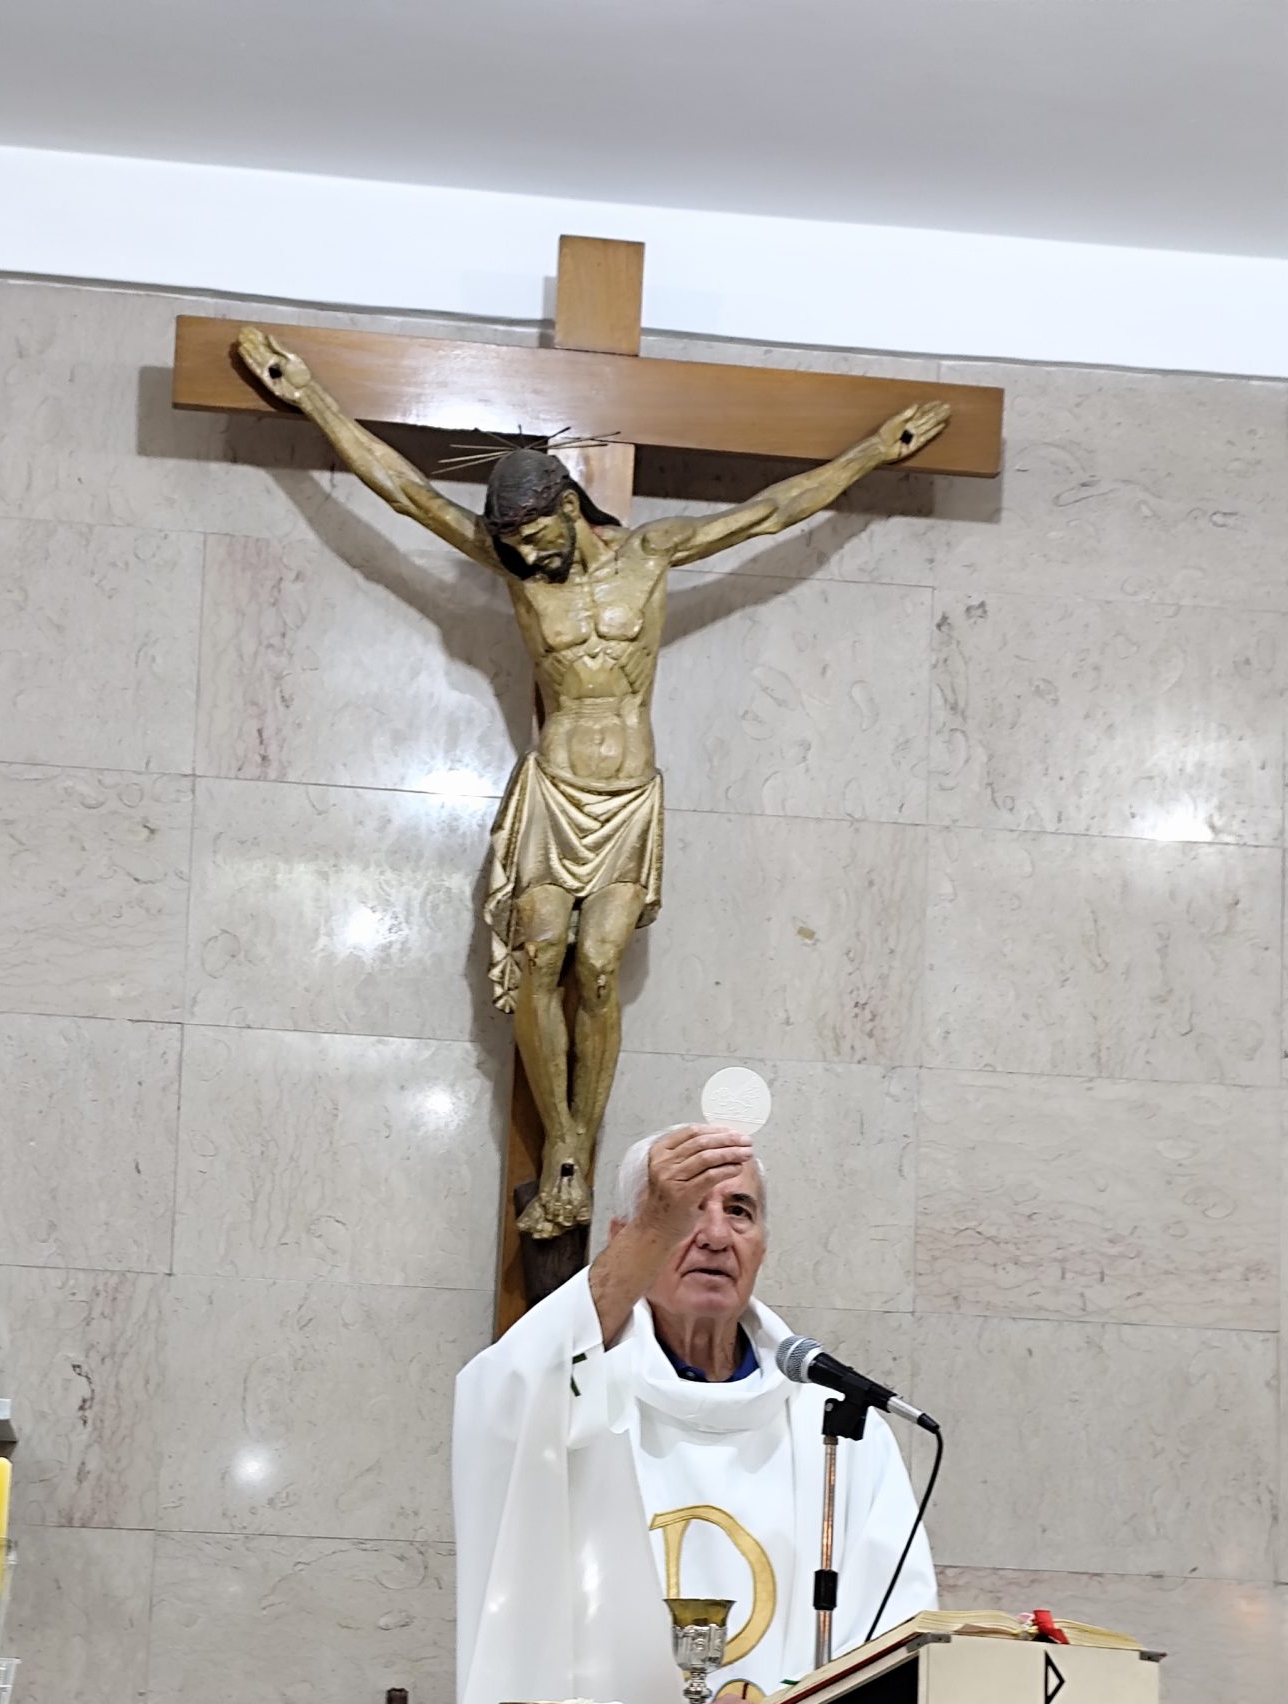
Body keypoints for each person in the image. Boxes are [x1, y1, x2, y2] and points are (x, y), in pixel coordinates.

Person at [233, 320, 948, 1238]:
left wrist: (872, 453)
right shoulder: (517, 572)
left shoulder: (651, 555)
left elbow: (771, 512)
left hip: (627, 798)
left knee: (598, 969)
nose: (528, 557)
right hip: (555, 789)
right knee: (540, 953)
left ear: (568, 507)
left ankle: (580, 1143)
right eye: (515, 545)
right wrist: (308, 396)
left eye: (538, 537)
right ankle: (566, 1150)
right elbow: (404, 490)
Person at [452, 1124, 935, 1704]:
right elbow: (498, 1400)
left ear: (762, 1248)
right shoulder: (577, 1393)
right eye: (684, 1212)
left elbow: (897, 1627)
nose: (714, 1236)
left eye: (739, 1211)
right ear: (629, 1241)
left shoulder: (838, 1426)